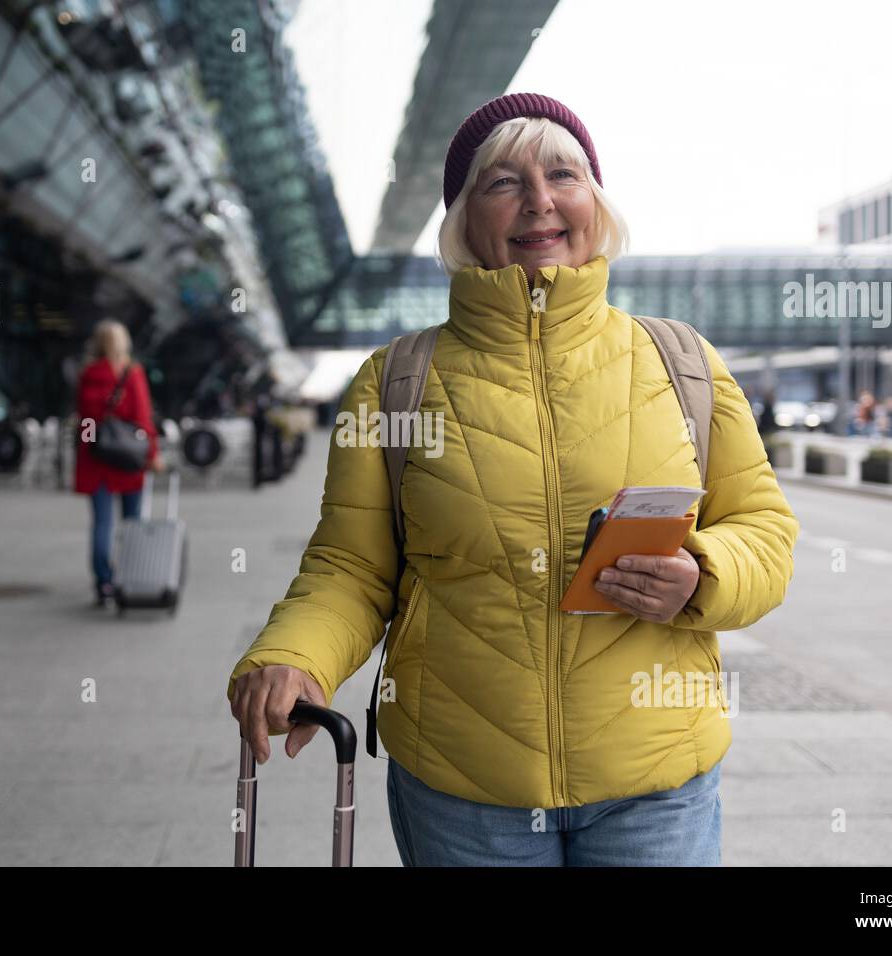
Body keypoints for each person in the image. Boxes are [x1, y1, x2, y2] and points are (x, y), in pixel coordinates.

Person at [226, 93, 799, 866]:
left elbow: (765, 532)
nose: (539, 201)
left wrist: (702, 573)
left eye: (563, 174)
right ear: (464, 222)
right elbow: (351, 567)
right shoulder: (394, 380)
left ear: (594, 201)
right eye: (502, 182)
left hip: (655, 785)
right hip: (464, 791)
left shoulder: (681, 361)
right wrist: (293, 654)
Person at [73, 319, 162, 606]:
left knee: (102, 524)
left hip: (98, 459)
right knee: (132, 523)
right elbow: (142, 419)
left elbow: (85, 420)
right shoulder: (132, 373)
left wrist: (89, 448)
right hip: (129, 459)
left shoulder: (88, 375)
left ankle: (104, 583)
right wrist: (151, 454)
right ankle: (130, 577)